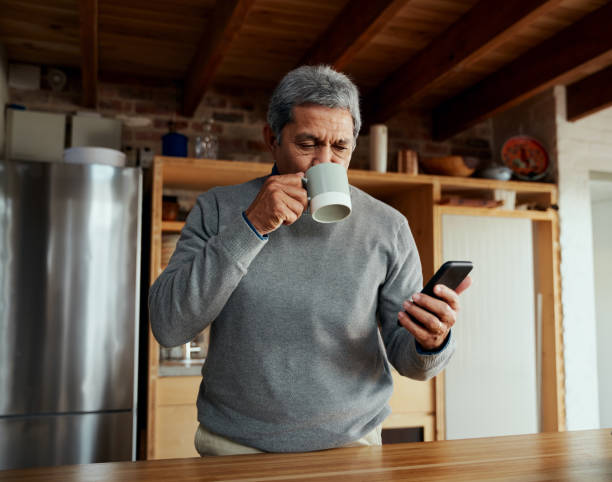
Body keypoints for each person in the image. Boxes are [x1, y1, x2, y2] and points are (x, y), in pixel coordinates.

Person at [148, 65, 471, 456]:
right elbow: (169, 325)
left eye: (340, 148)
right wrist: (251, 226)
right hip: (235, 447)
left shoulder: (388, 227)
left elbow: (411, 363)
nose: (325, 164)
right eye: (307, 144)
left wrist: (433, 341)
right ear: (272, 139)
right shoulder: (218, 209)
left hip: (353, 446)